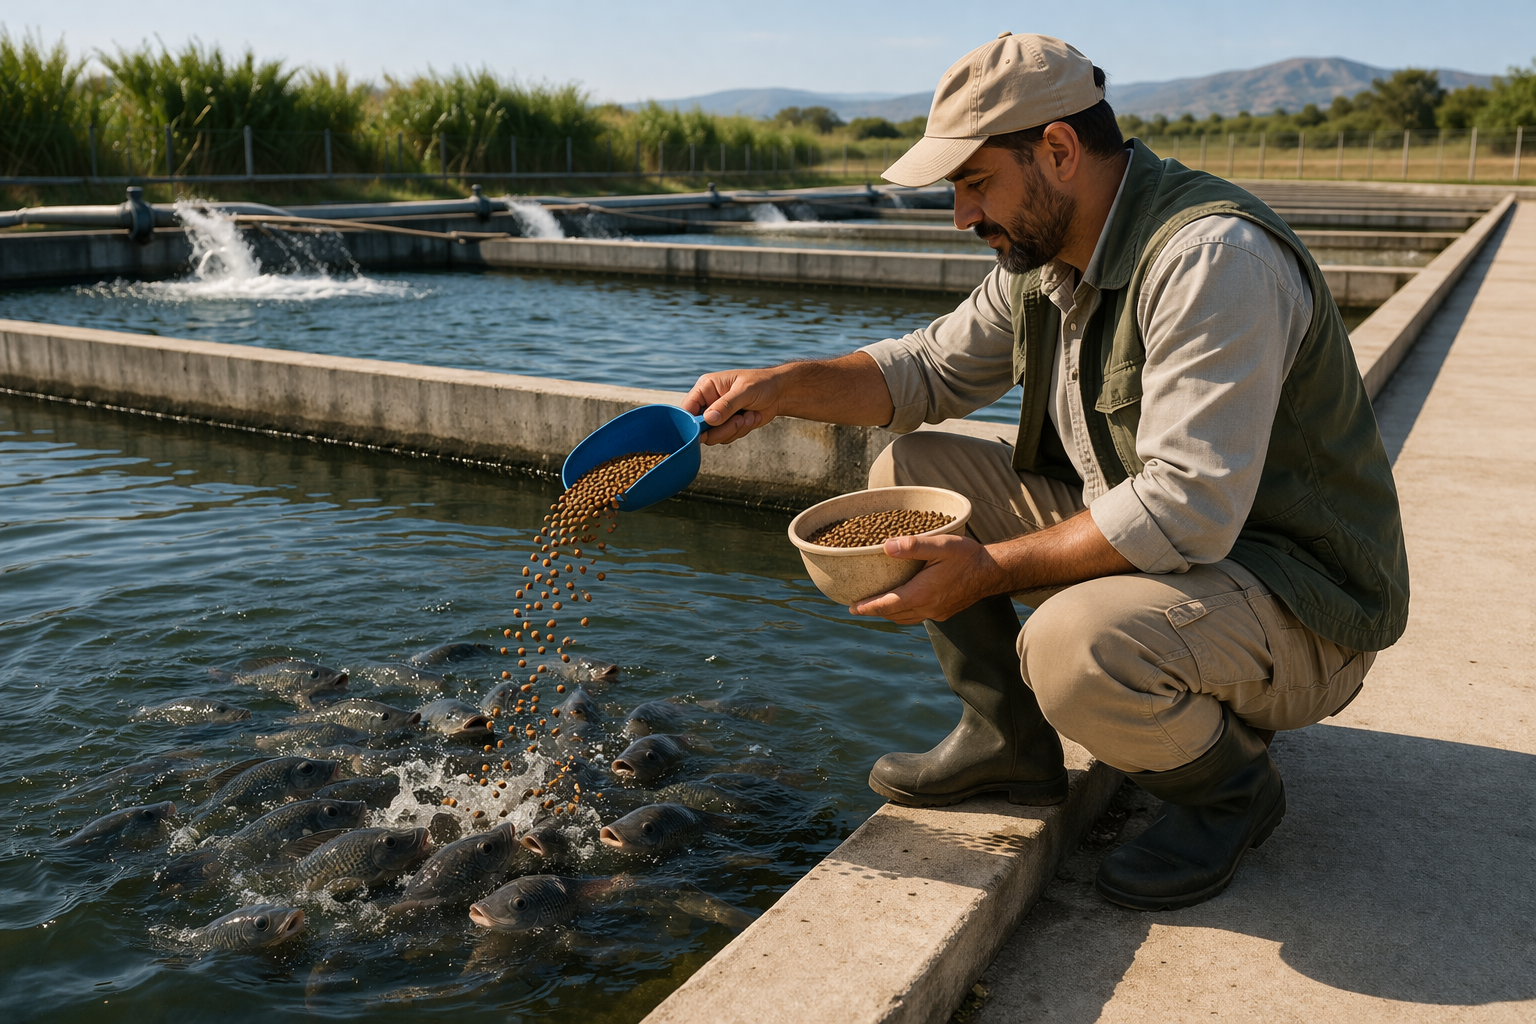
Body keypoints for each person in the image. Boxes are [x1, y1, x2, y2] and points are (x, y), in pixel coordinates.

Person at [681, 33, 1408, 912]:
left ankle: (1231, 794)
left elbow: (1188, 508)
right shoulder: (1046, 257)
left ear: (1058, 150)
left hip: (1300, 600)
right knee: (914, 463)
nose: (960, 215)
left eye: (975, 182)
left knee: (1071, 646)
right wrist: (786, 387)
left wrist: (990, 570)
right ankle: (1008, 742)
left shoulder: (1210, 258)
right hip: (1202, 548)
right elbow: (924, 372)